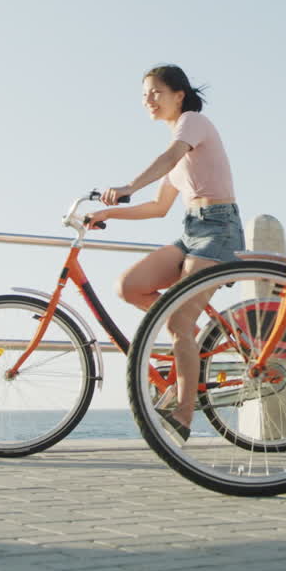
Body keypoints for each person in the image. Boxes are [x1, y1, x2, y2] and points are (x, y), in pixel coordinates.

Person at [86, 64, 244, 444]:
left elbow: (170, 157)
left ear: (180, 94)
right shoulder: (179, 145)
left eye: (156, 92)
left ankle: (184, 413)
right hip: (192, 231)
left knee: (176, 324)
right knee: (130, 286)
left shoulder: (193, 124)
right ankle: (190, 335)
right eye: (144, 95)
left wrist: (128, 186)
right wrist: (109, 212)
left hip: (219, 230)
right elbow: (158, 208)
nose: (149, 100)